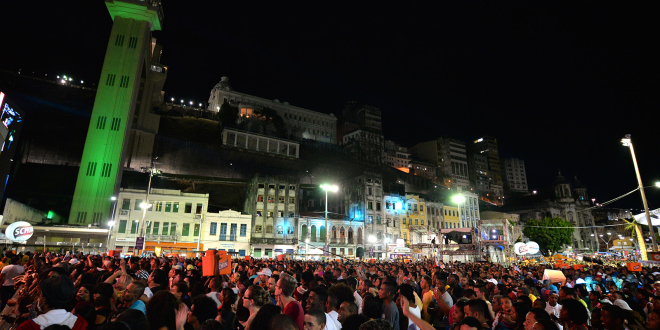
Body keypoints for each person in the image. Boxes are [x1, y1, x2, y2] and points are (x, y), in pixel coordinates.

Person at [16, 275, 88, 330]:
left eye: (39, 296)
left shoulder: (29, 326)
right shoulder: (80, 322)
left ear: (44, 300)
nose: (38, 299)